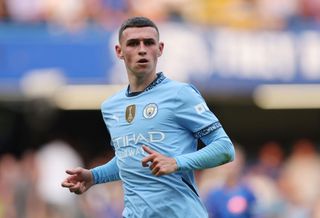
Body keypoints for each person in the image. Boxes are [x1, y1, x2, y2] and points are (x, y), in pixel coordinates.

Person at [61, 16, 235, 218]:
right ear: (119, 51)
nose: (142, 49)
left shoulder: (180, 94)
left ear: (160, 48)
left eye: (149, 43)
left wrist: (176, 162)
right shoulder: (111, 107)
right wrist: (94, 176)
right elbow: (130, 159)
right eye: (133, 43)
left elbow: (224, 148)